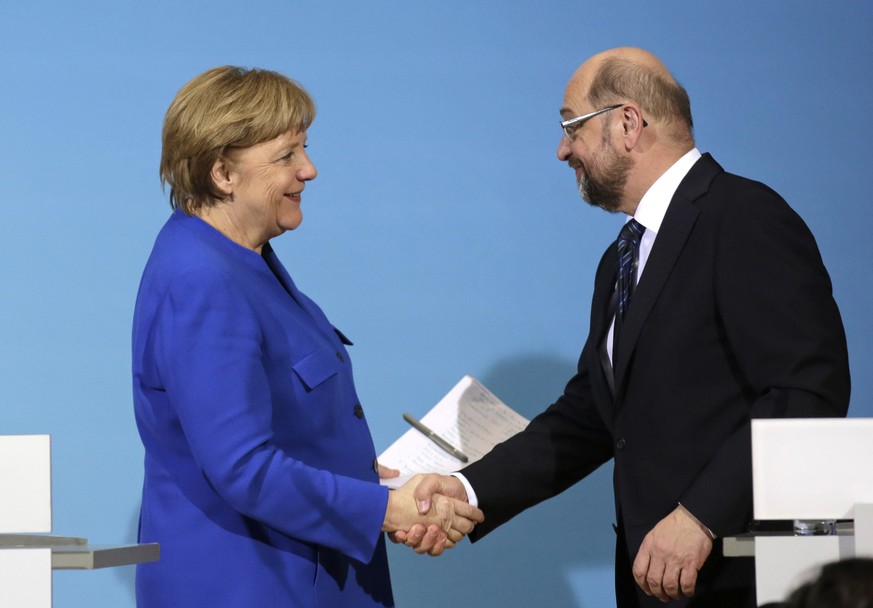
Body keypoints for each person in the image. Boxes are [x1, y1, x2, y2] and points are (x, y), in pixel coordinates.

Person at [396, 47, 850, 607]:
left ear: (629, 123)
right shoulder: (622, 258)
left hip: (745, 577)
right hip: (651, 585)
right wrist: (466, 489)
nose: (563, 149)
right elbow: (588, 417)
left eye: (571, 126)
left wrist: (702, 516)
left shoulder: (744, 216)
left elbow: (806, 393)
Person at [131, 66, 483, 607]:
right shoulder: (204, 280)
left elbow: (286, 427)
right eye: (286, 156)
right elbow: (242, 468)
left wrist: (378, 487)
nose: (310, 169)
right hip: (254, 585)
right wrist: (386, 510)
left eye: (305, 148)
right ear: (223, 173)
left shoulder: (241, 260)